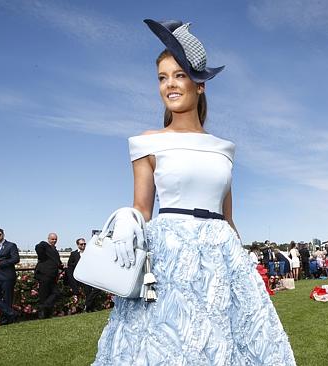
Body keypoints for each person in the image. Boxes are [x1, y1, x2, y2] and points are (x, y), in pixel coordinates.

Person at [92, 19, 294, 365]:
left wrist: (243, 271)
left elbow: (228, 219)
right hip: (170, 256)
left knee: (228, 345)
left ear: (199, 84)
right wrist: (127, 218)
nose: (169, 85)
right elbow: (142, 207)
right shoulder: (147, 141)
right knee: (169, 344)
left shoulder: (223, 148)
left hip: (220, 258)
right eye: (162, 77)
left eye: (179, 75)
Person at [67, 238, 102, 312]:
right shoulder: (74, 254)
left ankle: (87, 304)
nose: (83, 245)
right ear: (78, 245)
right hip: (81, 277)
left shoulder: (89, 252)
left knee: (97, 289)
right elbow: (70, 265)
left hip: (90, 275)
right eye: (81, 244)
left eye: (84, 244)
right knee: (87, 292)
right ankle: (89, 308)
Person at [35, 233, 63, 319]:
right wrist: (43, 243)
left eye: (55, 239)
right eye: (52, 239)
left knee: (55, 293)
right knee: (44, 296)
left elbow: (56, 261)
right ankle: (43, 314)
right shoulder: (44, 246)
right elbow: (38, 248)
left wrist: (61, 266)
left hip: (52, 276)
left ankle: (45, 309)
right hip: (44, 275)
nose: (54, 241)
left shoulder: (54, 250)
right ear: (48, 239)